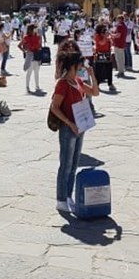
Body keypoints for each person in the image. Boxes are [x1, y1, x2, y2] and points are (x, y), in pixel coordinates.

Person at [49, 48, 98, 212]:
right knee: (66, 163)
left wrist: (92, 74)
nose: (82, 66)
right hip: (69, 128)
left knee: (74, 163)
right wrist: (69, 123)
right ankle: (61, 198)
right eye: (80, 64)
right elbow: (55, 107)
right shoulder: (63, 84)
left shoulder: (77, 80)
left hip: (81, 127)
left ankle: (68, 195)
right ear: (73, 65)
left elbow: (95, 92)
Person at [19, 24, 43, 93]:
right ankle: (27, 86)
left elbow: (39, 45)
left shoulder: (38, 36)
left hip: (37, 54)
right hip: (30, 55)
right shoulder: (26, 37)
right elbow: (19, 45)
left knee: (37, 72)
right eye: (35, 28)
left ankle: (37, 85)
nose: (36, 29)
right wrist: (25, 51)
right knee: (29, 72)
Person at [93, 24, 114, 92]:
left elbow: (110, 44)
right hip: (100, 54)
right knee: (99, 71)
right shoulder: (97, 36)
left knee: (109, 69)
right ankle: (97, 85)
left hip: (107, 54)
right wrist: (105, 37)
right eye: (103, 30)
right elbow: (101, 43)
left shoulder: (107, 37)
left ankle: (110, 84)